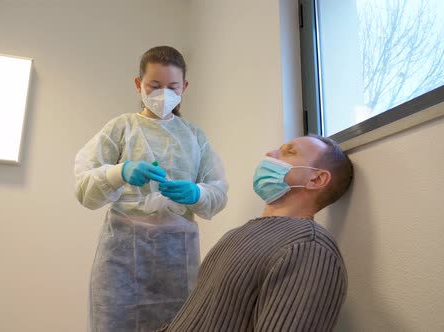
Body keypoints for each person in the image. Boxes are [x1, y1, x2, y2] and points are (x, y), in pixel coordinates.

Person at [74, 46, 229, 332]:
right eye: (154, 86)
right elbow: (84, 187)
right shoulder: (122, 128)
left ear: (184, 87)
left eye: (172, 86)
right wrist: (118, 172)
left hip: (176, 259)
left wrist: (198, 193)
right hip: (121, 257)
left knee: (177, 324)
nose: (163, 94)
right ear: (138, 84)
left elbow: (218, 191)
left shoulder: (194, 137)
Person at [156, 135, 353, 332]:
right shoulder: (237, 234)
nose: (270, 155)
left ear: (316, 179)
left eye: (289, 152)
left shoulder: (310, 248)